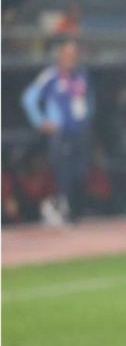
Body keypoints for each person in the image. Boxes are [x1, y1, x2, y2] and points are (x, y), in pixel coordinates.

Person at [22, 39, 94, 224]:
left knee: (81, 172)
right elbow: (29, 98)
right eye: (68, 54)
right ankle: (64, 211)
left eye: (74, 54)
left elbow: (88, 100)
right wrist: (40, 121)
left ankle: (76, 211)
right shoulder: (50, 76)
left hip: (80, 131)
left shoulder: (81, 75)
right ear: (60, 55)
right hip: (61, 133)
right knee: (64, 174)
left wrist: (87, 119)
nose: (72, 58)